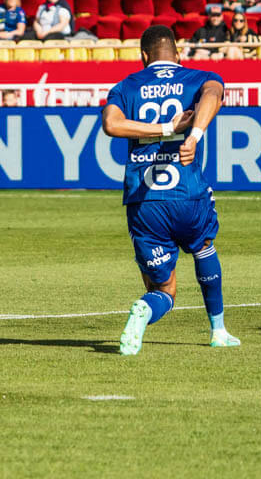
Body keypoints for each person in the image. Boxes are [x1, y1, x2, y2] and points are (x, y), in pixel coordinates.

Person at [102, 24, 239, 356]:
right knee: (203, 248)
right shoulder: (199, 78)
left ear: (143, 56)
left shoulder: (126, 86)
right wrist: (192, 135)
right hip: (186, 192)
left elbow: (111, 124)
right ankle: (218, 331)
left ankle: (146, 308)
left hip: (144, 200)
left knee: (164, 289)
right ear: (178, 54)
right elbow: (213, 95)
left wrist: (162, 128)